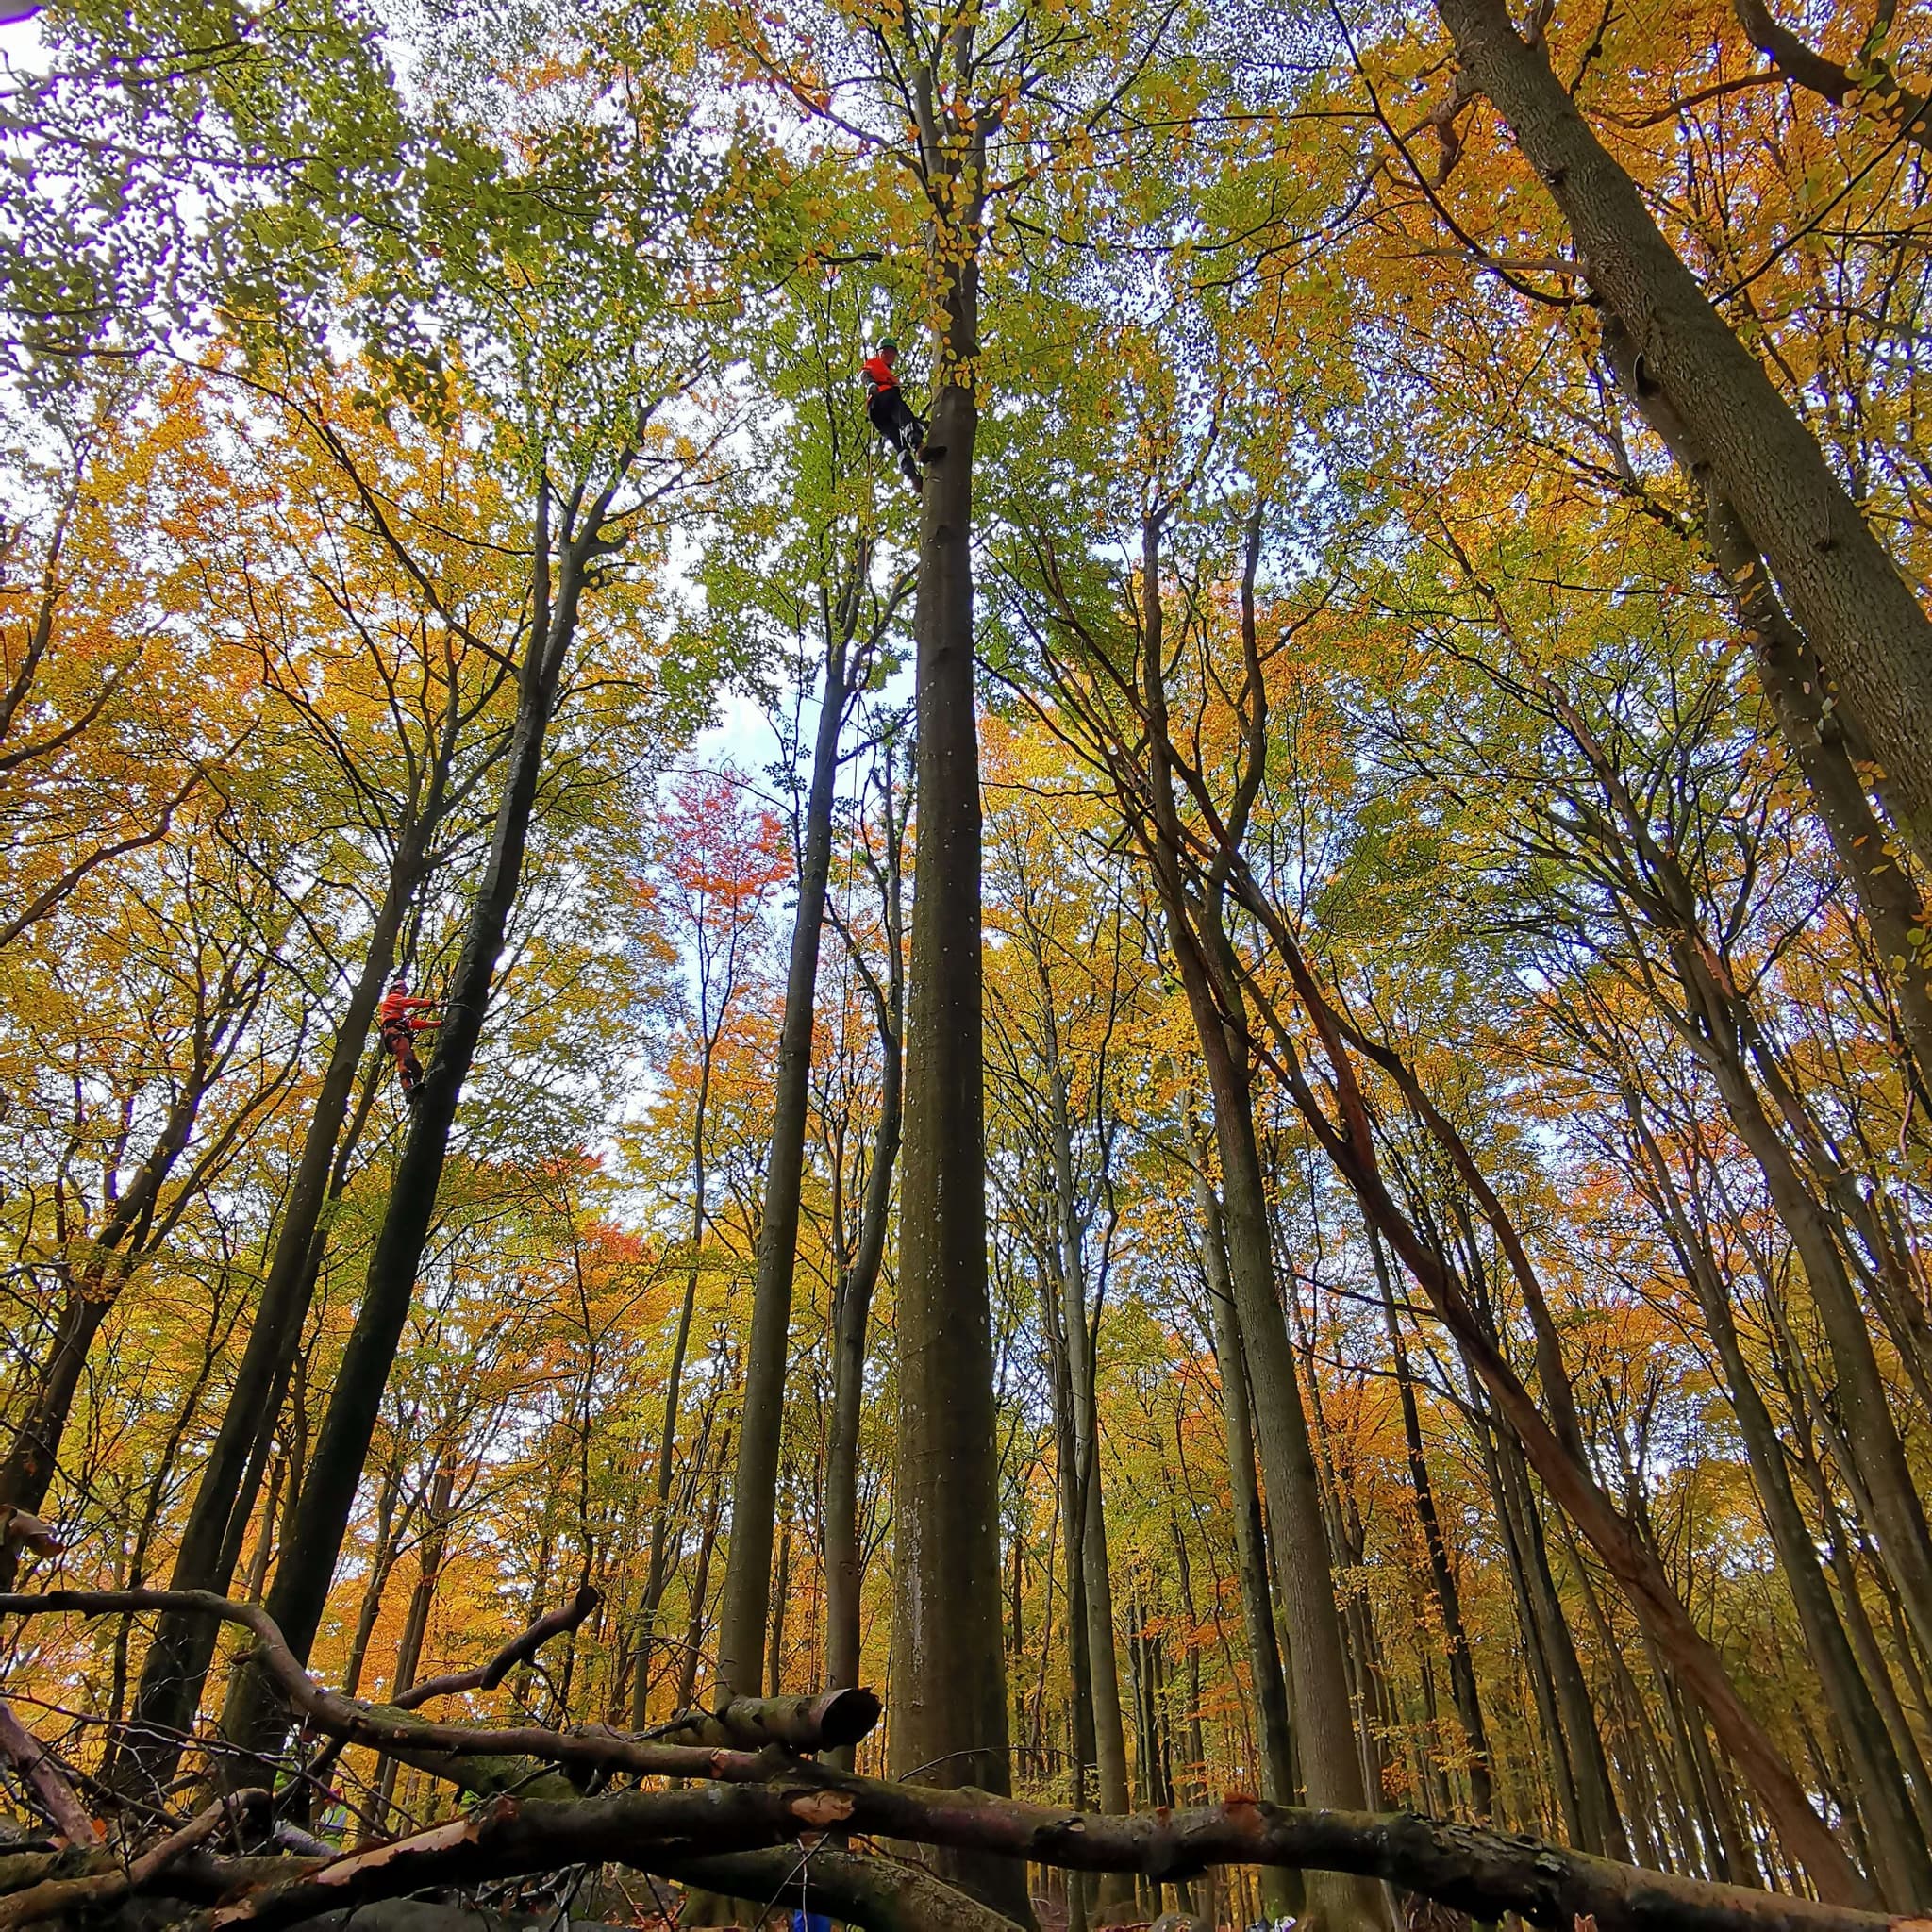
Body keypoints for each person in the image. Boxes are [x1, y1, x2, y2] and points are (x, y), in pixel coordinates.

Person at [861, 336, 943, 489]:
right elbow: (865, 374)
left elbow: (903, 418)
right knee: (902, 412)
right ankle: (919, 447)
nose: (890, 355)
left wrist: (920, 423)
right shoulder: (874, 363)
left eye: (892, 353)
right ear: (879, 352)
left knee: (898, 442)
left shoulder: (890, 375)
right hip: (881, 398)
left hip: (879, 414)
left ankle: (913, 478)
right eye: (886, 352)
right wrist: (870, 384)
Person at [376, 974, 440, 1103]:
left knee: (413, 1064)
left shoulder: (401, 1016)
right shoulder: (392, 999)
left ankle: (416, 1086)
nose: (404, 992)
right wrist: (432, 1003)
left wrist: (438, 1023)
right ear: (394, 989)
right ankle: (408, 1089)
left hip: (400, 1034)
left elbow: (416, 1023)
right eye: (402, 989)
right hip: (395, 1034)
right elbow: (410, 1002)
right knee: (405, 1059)